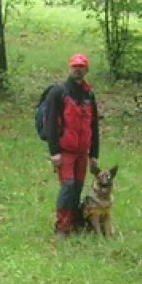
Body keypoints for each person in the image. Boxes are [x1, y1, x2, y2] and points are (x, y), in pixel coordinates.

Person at [44, 53, 100, 240]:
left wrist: (94, 154)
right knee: (67, 187)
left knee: (76, 187)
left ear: (86, 70)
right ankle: (61, 228)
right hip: (64, 150)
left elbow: (94, 126)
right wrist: (54, 152)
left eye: (81, 67)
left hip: (82, 152)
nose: (78, 69)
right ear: (69, 68)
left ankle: (73, 224)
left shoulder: (88, 94)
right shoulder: (58, 92)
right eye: (75, 66)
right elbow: (50, 123)